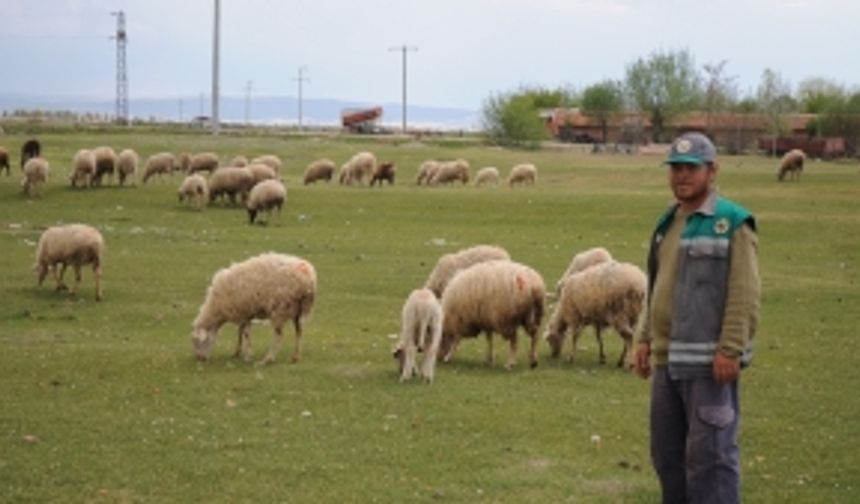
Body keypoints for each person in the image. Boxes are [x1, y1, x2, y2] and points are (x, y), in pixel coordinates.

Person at [634, 132, 760, 504]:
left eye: (691, 168)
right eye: (675, 168)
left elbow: (745, 294)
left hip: (709, 364)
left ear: (712, 170)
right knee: (667, 456)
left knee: (711, 459)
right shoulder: (667, 223)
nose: (681, 176)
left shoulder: (732, 223)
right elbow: (656, 286)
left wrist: (731, 349)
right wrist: (643, 339)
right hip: (666, 361)